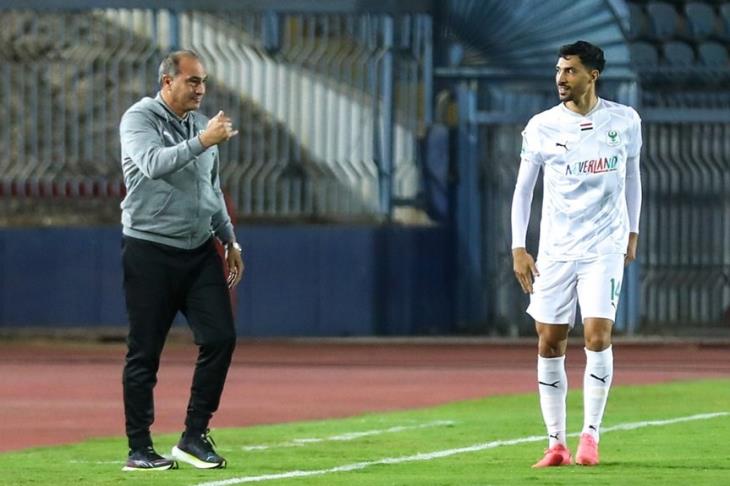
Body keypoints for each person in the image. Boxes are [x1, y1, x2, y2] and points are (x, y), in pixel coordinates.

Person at [510, 41, 642, 468]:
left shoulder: (624, 120)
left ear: (592, 75)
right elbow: (523, 191)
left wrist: (633, 230)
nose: (561, 79)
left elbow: (632, 177)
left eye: (569, 71)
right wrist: (518, 247)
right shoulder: (542, 126)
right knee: (550, 342)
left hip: (604, 245)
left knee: (598, 335)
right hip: (556, 250)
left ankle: (590, 437)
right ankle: (556, 444)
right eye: (558, 70)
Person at [119, 50, 244, 471]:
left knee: (221, 337)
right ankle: (139, 449)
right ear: (167, 82)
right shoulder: (139, 119)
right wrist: (202, 141)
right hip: (149, 251)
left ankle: (193, 436)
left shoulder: (200, 128)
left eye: (203, 81)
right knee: (145, 352)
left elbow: (212, 189)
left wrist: (230, 240)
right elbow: (153, 164)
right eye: (192, 81)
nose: (201, 89)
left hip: (198, 250)